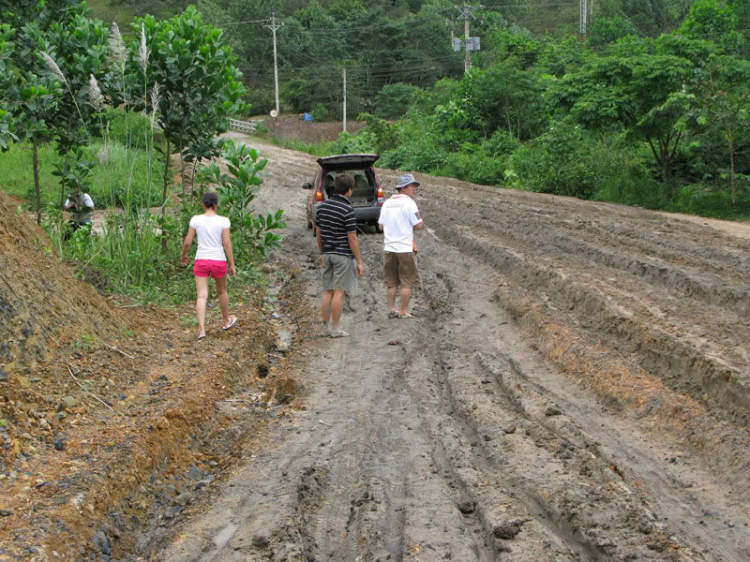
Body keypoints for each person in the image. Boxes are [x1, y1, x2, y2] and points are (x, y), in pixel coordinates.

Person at [180, 192, 237, 340]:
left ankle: (201, 331)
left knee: (201, 295)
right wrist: (232, 264)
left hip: (201, 261)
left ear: (203, 204)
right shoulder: (224, 221)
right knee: (222, 292)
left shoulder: (195, 220)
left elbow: (188, 241)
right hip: (218, 260)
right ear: (216, 204)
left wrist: (184, 255)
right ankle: (226, 321)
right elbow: (227, 243)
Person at [316, 173, 364, 338]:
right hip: (342, 255)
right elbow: (352, 239)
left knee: (327, 291)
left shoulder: (322, 207)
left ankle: (325, 329)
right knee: (339, 292)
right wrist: (359, 261)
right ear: (349, 190)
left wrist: (322, 253)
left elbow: (318, 233)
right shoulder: (347, 209)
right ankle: (335, 329)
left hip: (327, 254)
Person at [378, 173, 424, 319]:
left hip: (389, 249)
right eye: (412, 186)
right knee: (407, 282)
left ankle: (391, 309)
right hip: (405, 248)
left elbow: (380, 226)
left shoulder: (387, 203)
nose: (415, 189)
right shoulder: (409, 203)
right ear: (404, 187)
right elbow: (418, 225)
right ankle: (403, 311)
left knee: (391, 282)